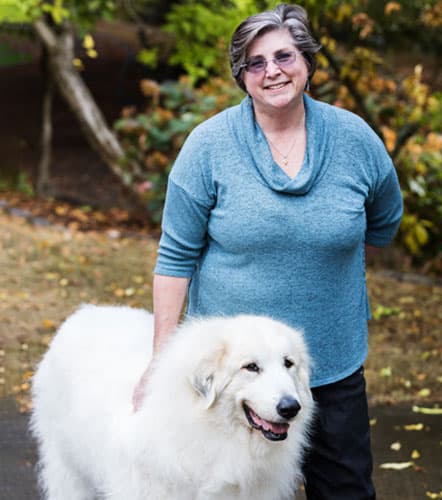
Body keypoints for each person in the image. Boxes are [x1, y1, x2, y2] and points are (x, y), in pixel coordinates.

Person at [134, 3, 403, 499]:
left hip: (330, 364)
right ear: (242, 76)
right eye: (255, 63)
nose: (272, 71)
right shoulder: (207, 146)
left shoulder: (355, 140)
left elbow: (383, 222)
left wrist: (323, 253)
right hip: (233, 379)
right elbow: (174, 259)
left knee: (345, 489)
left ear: (306, 61)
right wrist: (160, 362)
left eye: (284, 56)